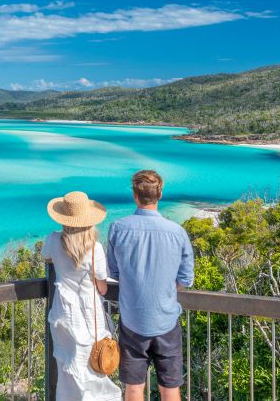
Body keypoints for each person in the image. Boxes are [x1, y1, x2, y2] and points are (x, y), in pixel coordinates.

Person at [107, 170, 194, 401]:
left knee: (134, 387)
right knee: (170, 388)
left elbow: (113, 272)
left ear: (135, 195)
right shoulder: (178, 232)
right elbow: (185, 279)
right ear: (160, 194)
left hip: (132, 320)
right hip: (166, 320)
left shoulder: (118, 228)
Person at [43, 191, 122, 401]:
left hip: (63, 315)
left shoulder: (52, 240)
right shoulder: (94, 249)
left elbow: (46, 257)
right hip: (89, 317)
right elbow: (103, 288)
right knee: (93, 370)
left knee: (67, 370)